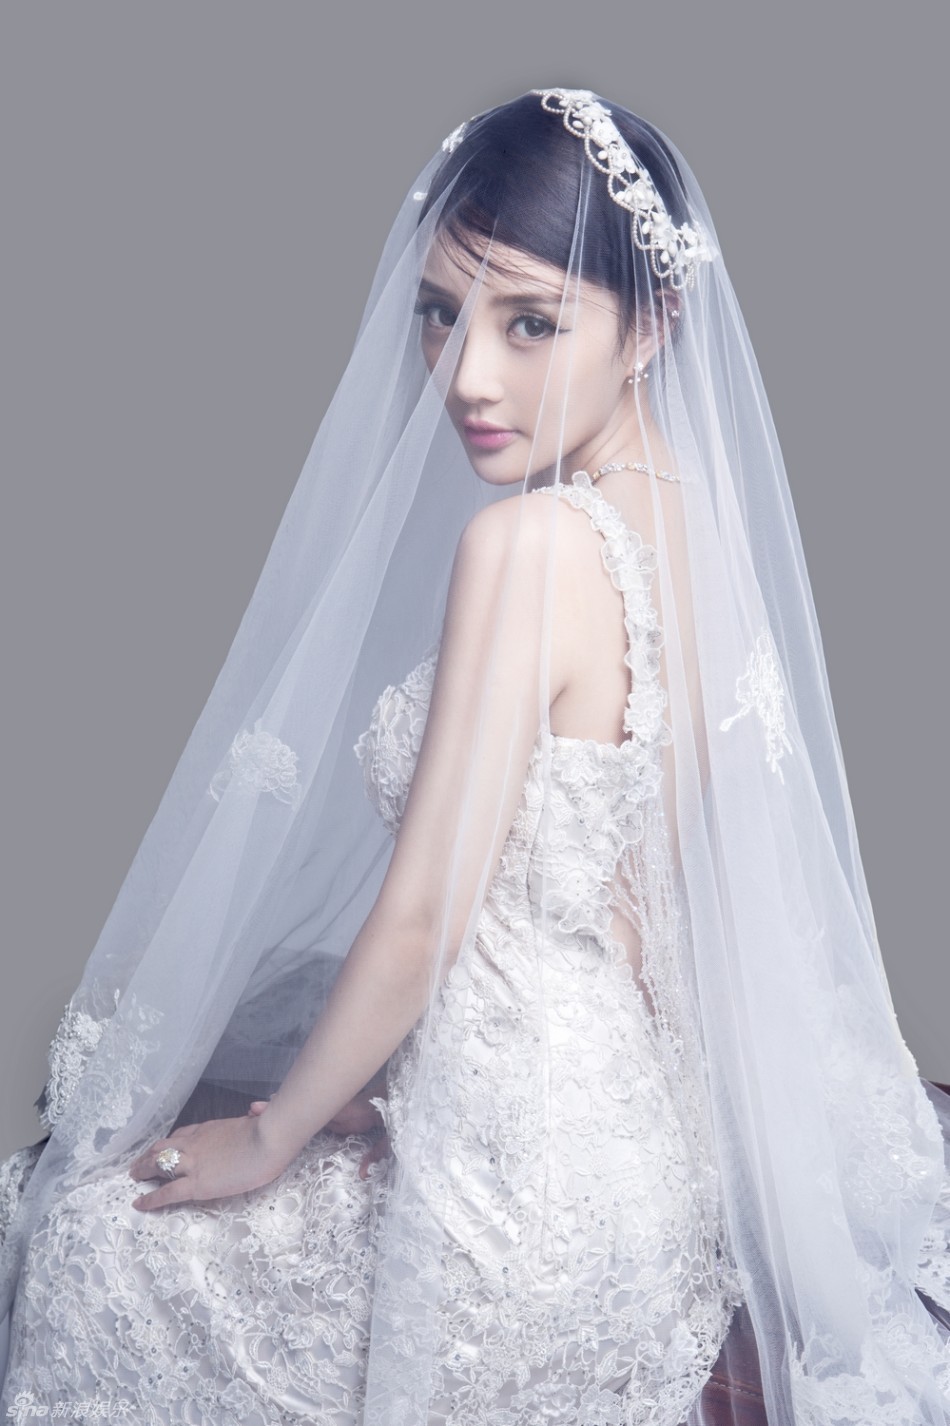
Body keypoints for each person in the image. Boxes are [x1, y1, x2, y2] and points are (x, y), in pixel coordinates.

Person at [0, 87, 947, 1425]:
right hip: (625, 1172)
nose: (466, 376)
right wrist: (408, 1093)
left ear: (653, 324)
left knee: (90, 1245)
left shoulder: (528, 548)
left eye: (529, 321)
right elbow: (643, 908)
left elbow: (426, 913)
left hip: (515, 1209)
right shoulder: (697, 528)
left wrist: (273, 1132)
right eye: (440, 314)